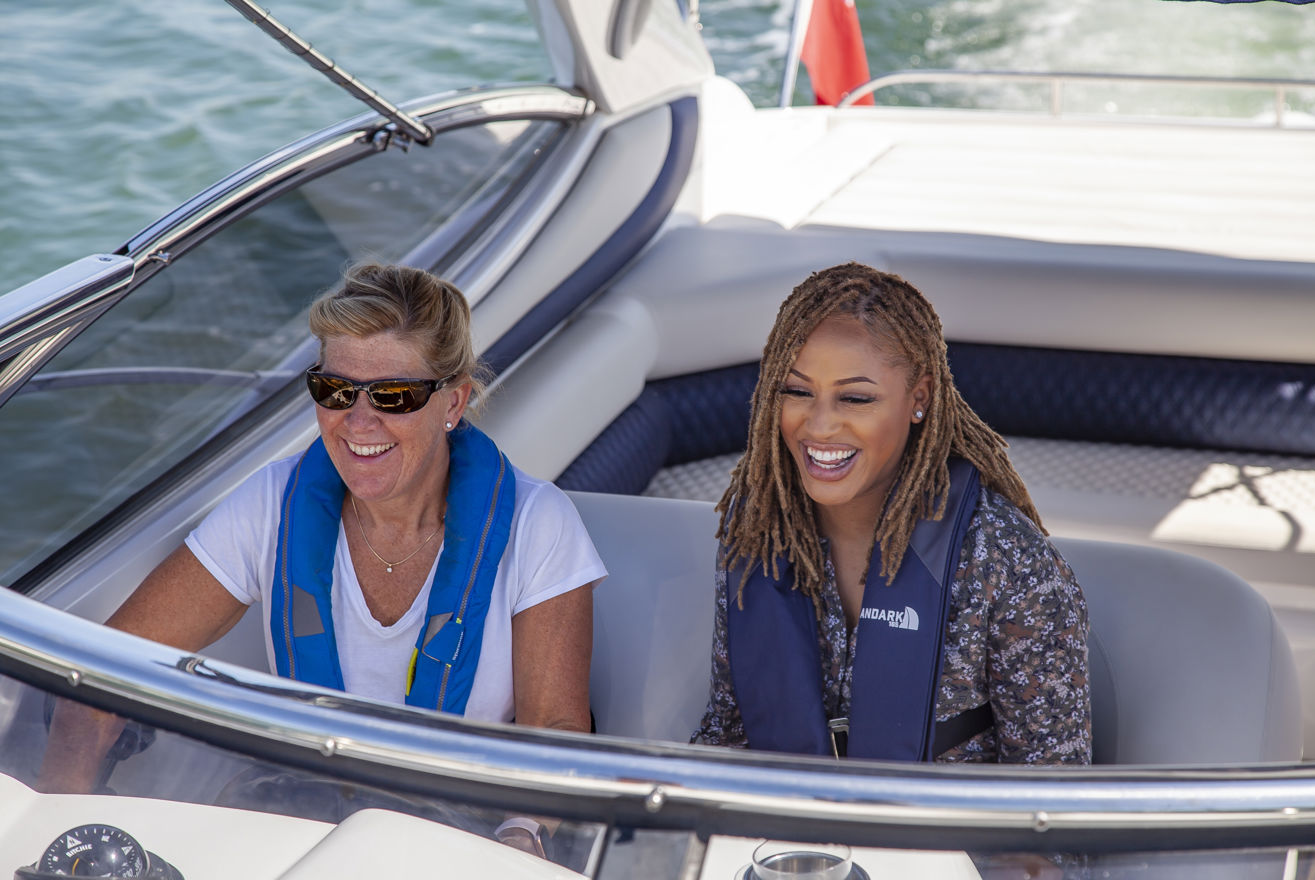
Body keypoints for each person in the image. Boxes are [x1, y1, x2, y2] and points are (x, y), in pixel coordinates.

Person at [40, 263, 606, 852]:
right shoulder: (270, 506)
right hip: (301, 812)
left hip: (464, 828)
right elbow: (103, 673)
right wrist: (58, 831)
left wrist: (519, 837)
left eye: (393, 395)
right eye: (335, 391)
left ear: (453, 402)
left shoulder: (538, 525)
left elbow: (559, 731)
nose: (359, 422)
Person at [691, 261, 1090, 765]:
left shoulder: (1010, 565)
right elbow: (724, 741)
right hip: (790, 841)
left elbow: (1048, 810)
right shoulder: (757, 533)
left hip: (944, 840)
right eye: (796, 392)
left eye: (855, 398)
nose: (819, 425)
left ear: (918, 399)